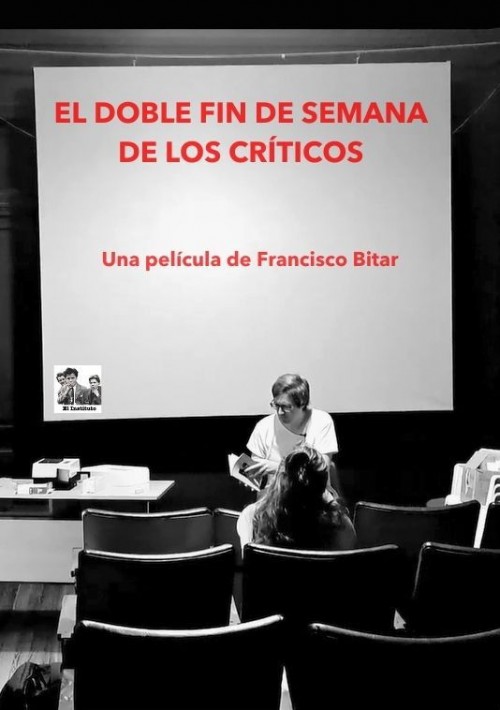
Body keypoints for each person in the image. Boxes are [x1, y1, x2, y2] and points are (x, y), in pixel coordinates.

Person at [237, 445, 356, 550]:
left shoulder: (251, 517)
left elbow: (248, 564)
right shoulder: (341, 525)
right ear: (322, 487)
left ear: (279, 480)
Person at [245, 373, 338, 489]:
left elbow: (320, 471)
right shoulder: (263, 427)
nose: (280, 412)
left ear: (302, 404)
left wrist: (276, 468)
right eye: (276, 405)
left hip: (313, 495)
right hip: (274, 496)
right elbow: (257, 473)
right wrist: (251, 478)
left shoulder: (321, 421)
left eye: (286, 407)